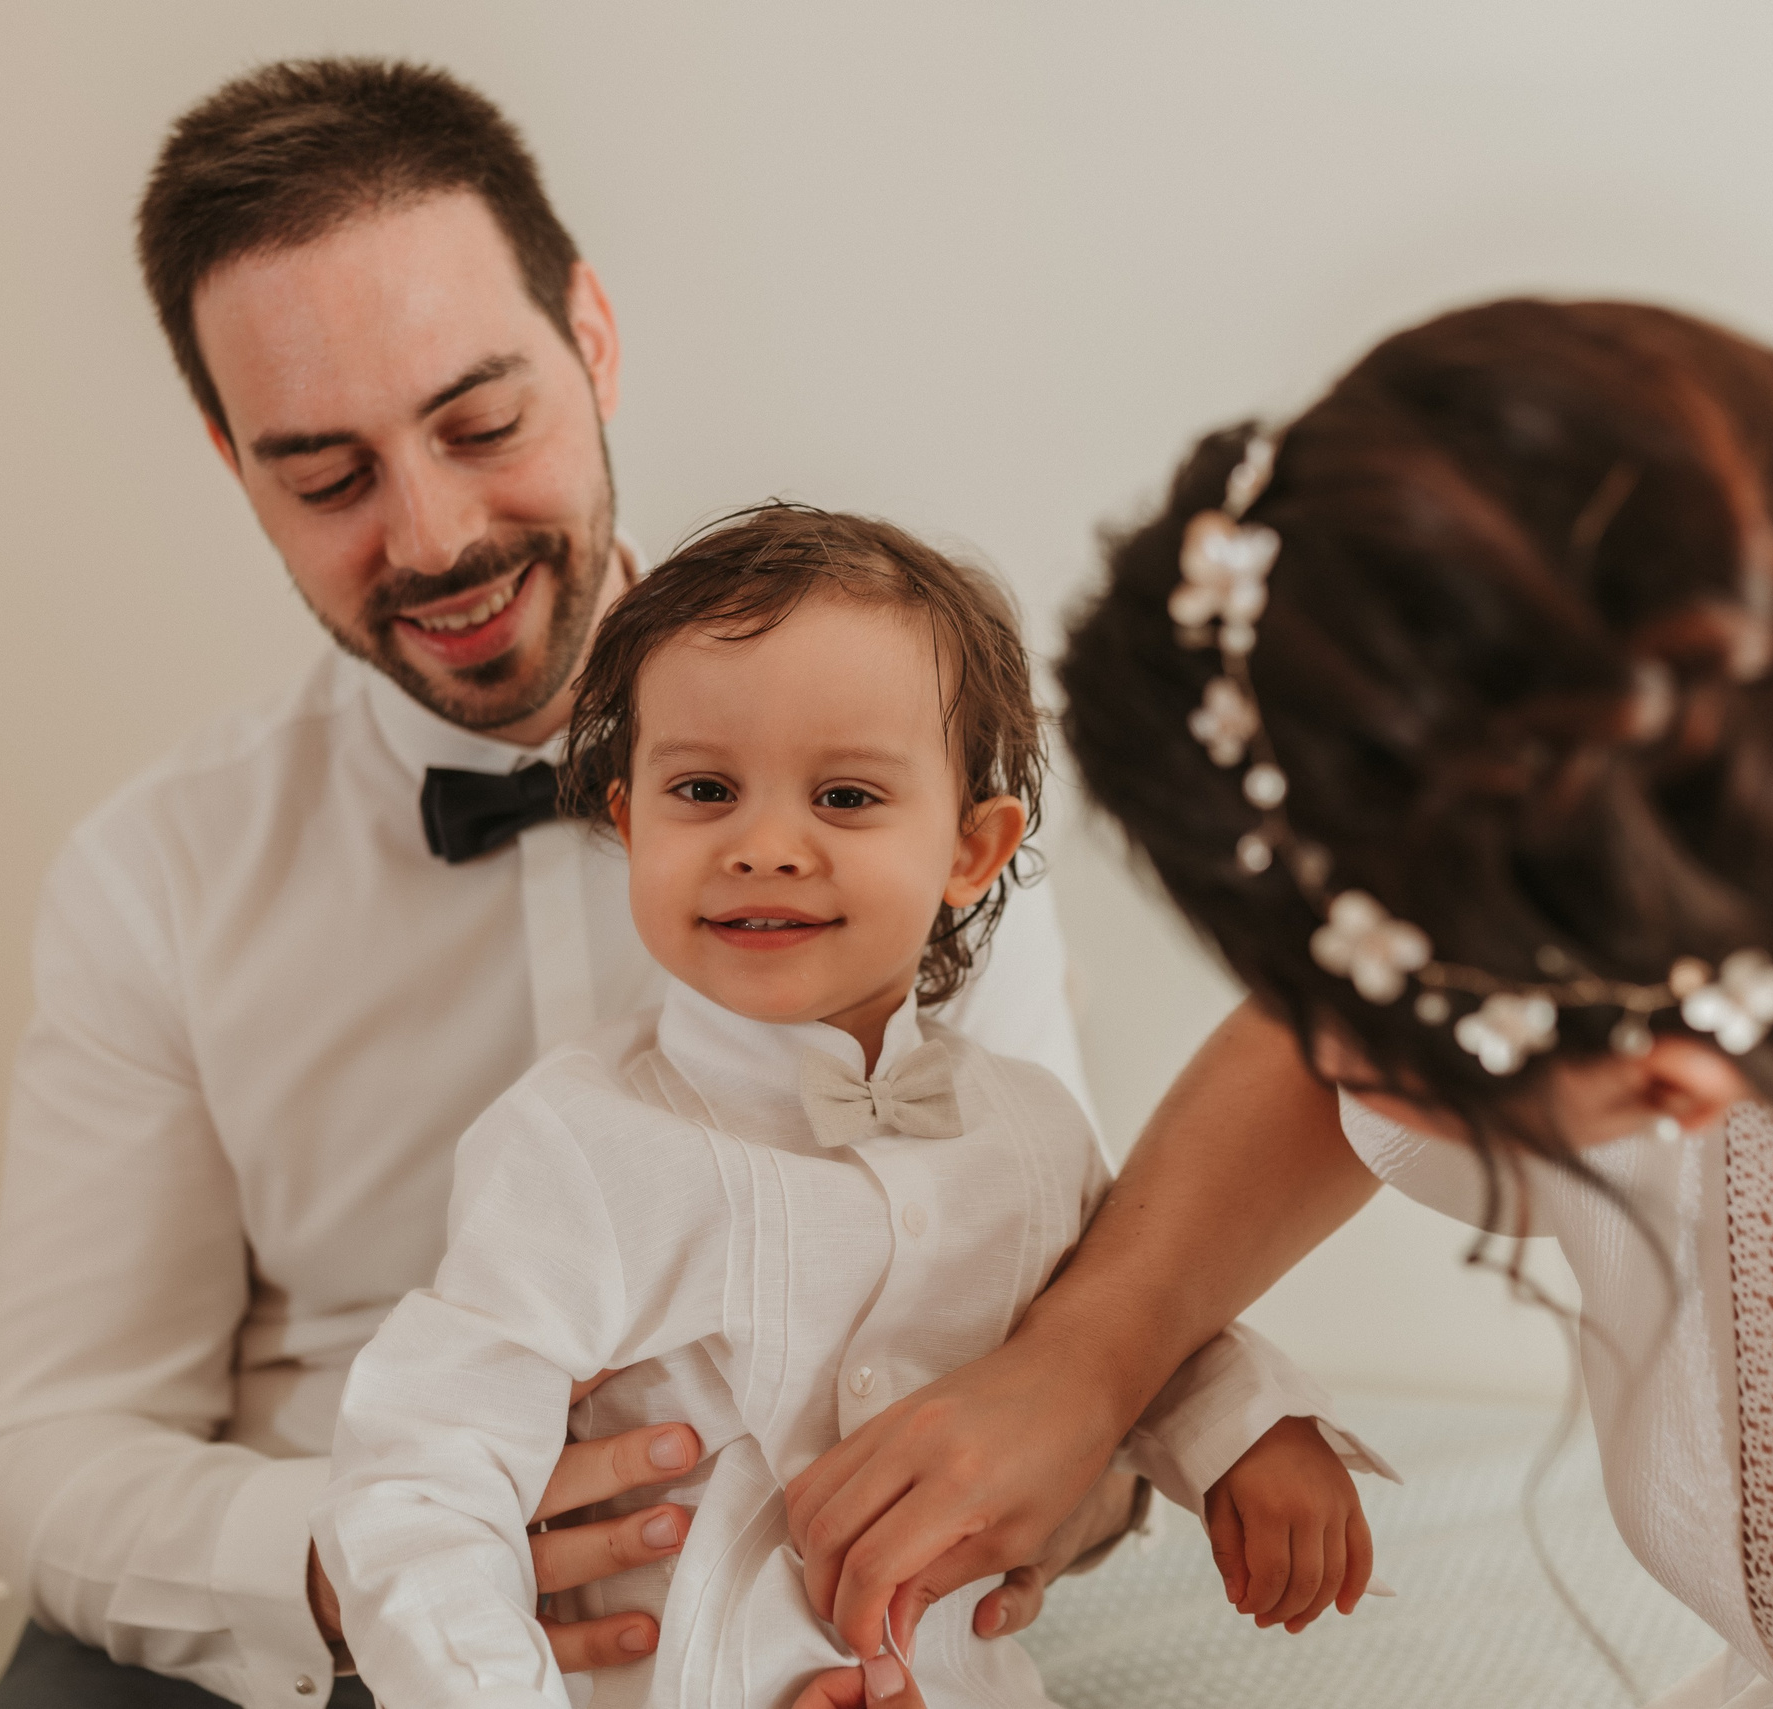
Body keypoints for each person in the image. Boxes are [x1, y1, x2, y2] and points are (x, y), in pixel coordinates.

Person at [788, 299, 1773, 1708]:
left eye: (1346, 1006)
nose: (1315, 1053)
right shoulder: (1736, 882)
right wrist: (1087, 1361)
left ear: (1657, 1054)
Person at [0, 60, 1129, 1709]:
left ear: (591, 335)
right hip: (297, 1644)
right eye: (328, 477)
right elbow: (56, 1444)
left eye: (481, 424)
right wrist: (351, 1560)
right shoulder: (152, 877)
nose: (433, 535)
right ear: (234, 464)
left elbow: (1053, 1328)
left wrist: (999, 1522)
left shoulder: (903, 783)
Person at [312, 504, 1387, 1709]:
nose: (766, 844)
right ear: (627, 821)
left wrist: (1254, 1429)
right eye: (704, 788)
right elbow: (426, 1468)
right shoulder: (576, 1140)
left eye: (845, 796)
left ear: (972, 850)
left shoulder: (1028, 1128)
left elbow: (1124, 1316)